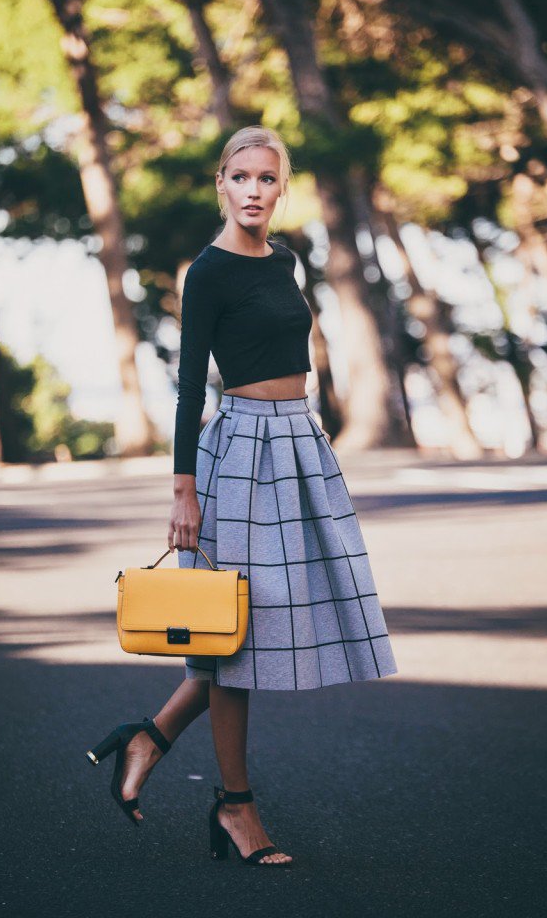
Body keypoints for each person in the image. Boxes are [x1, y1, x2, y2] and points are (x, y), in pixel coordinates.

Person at [87, 125, 398, 866]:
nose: (254, 191)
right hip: (243, 453)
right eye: (242, 177)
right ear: (220, 183)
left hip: (298, 443)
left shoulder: (284, 259)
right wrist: (183, 491)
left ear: (280, 187)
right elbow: (192, 383)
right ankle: (235, 806)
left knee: (250, 631)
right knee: (235, 636)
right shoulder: (209, 271)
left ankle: (148, 738)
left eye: (268, 179)